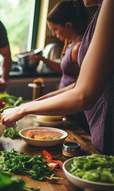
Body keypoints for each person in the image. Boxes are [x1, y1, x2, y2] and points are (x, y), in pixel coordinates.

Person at [2, 0, 114, 156]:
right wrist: (32, 103)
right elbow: (77, 85)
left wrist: (23, 109)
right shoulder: (100, 12)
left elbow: (83, 96)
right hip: (100, 132)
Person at [33, 0, 90, 133]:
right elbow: (63, 69)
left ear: (68, 25)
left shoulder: (78, 47)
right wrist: (42, 59)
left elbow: (81, 83)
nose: (53, 34)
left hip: (75, 111)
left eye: (55, 29)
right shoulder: (70, 43)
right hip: (67, 109)